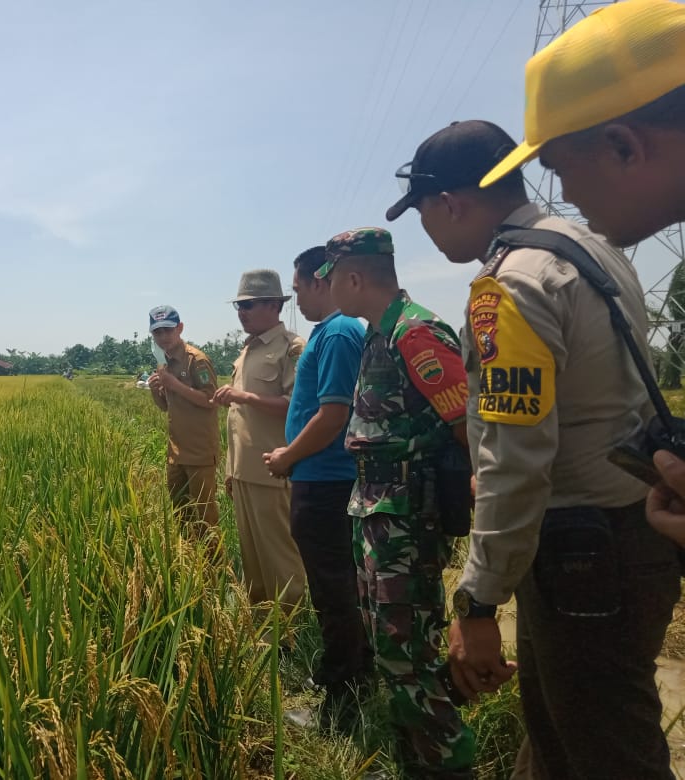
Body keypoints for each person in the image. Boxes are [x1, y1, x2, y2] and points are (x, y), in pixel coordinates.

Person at [388, 118, 679, 779]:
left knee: (607, 749)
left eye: (424, 216)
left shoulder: (511, 285)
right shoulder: (588, 247)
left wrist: (480, 604)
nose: (429, 232)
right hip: (631, 529)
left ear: (449, 204)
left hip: (584, 551)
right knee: (560, 731)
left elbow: (517, 462)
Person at [477, 0, 685, 553]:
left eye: (562, 169)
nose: (564, 197)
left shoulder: (522, 275)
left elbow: (516, 460)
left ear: (623, 146)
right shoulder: (595, 255)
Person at [319, 227, 475, 778]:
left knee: (411, 655)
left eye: (331, 278)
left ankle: (446, 763)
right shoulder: (377, 334)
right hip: (379, 513)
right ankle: (416, 761)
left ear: (354, 278)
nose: (328, 288)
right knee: (392, 648)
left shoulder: (416, 334)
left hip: (407, 519)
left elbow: (471, 433)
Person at [262, 246, 371, 732]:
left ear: (320, 281)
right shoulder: (328, 333)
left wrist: (288, 456)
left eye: (299, 288)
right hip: (319, 480)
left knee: (334, 591)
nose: (296, 300)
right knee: (338, 587)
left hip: (325, 483)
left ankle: (339, 701)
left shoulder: (341, 332)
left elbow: (333, 415)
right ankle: (352, 681)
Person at [212, 270, 306, 621]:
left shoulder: (292, 349)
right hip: (243, 471)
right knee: (252, 557)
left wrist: (245, 395)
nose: (242, 312)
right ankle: (262, 623)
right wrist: (229, 469)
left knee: (279, 554)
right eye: (239, 305)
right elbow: (237, 419)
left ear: (274, 305)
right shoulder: (247, 350)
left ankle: (289, 629)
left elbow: (297, 405)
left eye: (249, 305)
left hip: (273, 470)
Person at [146, 305, 221, 540]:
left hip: (199, 452)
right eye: (158, 333)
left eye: (168, 330)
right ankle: (189, 562)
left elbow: (211, 399)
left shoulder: (196, 360)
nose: (163, 337)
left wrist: (174, 384)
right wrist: (155, 389)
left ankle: (214, 569)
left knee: (204, 517)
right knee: (181, 514)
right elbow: (165, 406)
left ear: (180, 328)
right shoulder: (163, 364)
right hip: (176, 453)